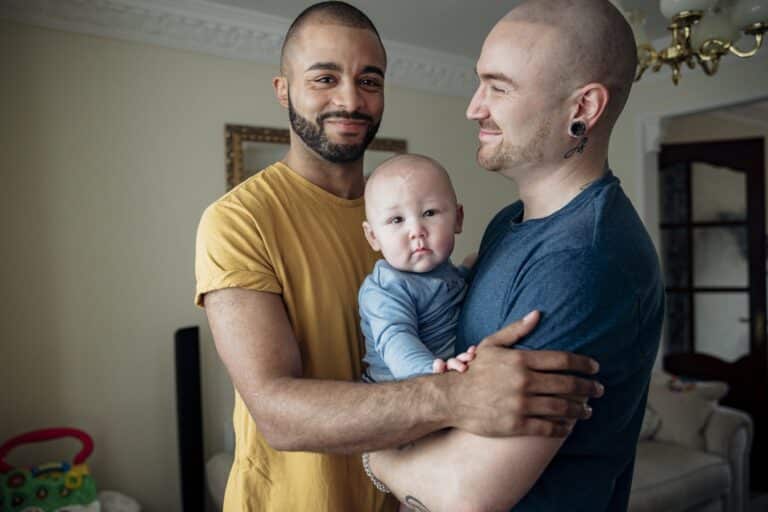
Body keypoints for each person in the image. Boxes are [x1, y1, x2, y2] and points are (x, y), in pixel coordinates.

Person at [195, 2, 603, 511]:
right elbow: (276, 412)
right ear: (283, 89)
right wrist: (458, 395)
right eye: (324, 78)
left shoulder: (406, 211)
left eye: (369, 80)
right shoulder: (238, 221)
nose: (350, 99)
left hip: (411, 496)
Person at [366, 1, 665, 511]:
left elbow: (466, 496)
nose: (474, 107)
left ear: (583, 109)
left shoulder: (583, 262)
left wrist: (371, 452)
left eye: (498, 87)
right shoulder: (509, 222)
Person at [360, 154, 475, 382]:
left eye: (429, 213)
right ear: (373, 236)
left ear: (458, 219)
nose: (416, 230)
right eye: (396, 220)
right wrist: (432, 374)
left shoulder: (444, 271)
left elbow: (445, 289)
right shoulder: (385, 289)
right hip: (400, 391)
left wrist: (470, 271)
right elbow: (395, 339)